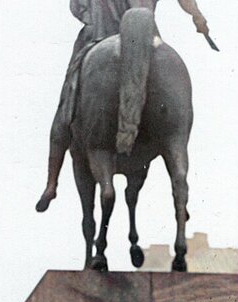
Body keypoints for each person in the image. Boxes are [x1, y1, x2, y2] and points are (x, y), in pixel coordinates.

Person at [36, 0, 212, 213]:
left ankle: (51, 184)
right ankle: (179, 180)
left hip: (97, 37)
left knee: (67, 105)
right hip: (149, 38)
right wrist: (197, 15)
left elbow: (78, 8)